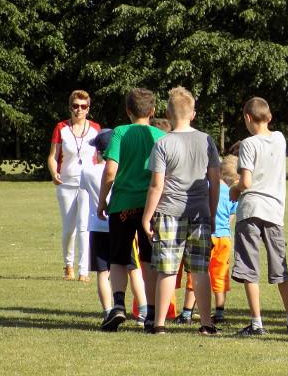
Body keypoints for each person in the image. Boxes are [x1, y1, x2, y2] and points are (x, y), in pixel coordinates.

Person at [140, 86, 221, 335]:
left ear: (168, 113)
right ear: (193, 114)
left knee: (167, 269)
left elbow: (157, 185)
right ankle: (206, 323)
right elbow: (215, 181)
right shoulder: (206, 140)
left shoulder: (163, 143)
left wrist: (147, 217)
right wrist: (212, 212)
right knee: (200, 270)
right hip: (200, 213)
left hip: (168, 214)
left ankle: (159, 324)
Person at [230, 97, 288, 336]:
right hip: (274, 212)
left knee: (249, 267)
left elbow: (246, 182)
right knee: (280, 267)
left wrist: (234, 189)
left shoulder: (248, 144)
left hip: (250, 210)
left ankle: (257, 323)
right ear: (269, 117)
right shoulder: (280, 138)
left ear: (247, 118)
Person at [97, 88, 167, 332]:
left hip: (122, 204)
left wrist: (102, 200)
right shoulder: (161, 136)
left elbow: (110, 171)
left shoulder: (120, 132)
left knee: (118, 258)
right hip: (151, 206)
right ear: (153, 111)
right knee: (148, 259)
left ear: (128, 111)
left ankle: (117, 305)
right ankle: (151, 314)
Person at [80, 129, 147, 323]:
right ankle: (143, 309)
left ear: (98, 151)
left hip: (97, 225)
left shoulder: (87, 171)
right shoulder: (122, 170)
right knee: (133, 268)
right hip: (120, 220)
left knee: (103, 272)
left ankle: (109, 310)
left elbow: (85, 189)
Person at [174, 154, 239, 325]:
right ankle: (219, 312)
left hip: (206, 234)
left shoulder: (206, 187)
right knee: (220, 275)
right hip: (224, 238)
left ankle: (187, 312)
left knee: (196, 273)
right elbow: (232, 214)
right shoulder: (231, 191)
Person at [47, 89, 100, 282]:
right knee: (69, 229)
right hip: (66, 183)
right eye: (76, 106)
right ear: (70, 107)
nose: (79, 110)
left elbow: (101, 157)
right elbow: (52, 156)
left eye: (83, 106)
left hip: (87, 184)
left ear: (88, 108)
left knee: (84, 227)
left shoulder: (95, 128)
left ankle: (83, 270)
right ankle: (68, 265)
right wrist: (54, 172)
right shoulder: (61, 128)